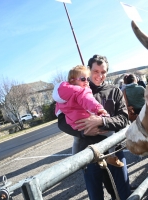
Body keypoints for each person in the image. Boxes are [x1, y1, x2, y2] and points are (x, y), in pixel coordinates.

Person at [57, 55, 131, 200]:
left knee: (123, 192)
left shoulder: (115, 91)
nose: (99, 75)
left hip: (114, 150)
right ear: (89, 70)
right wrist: (83, 132)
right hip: (89, 153)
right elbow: (61, 121)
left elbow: (124, 119)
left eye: (103, 72)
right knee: (95, 195)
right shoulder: (75, 90)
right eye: (95, 71)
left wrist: (101, 121)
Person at [52, 65, 124, 167]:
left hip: (74, 124)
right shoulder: (81, 91)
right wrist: (101, 111)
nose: (86, 81)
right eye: (83, 79)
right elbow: (90, 102)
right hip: (86, 122)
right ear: (72, 81)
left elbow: (58, 112)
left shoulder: (62, 97)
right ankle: (111, 157)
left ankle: (74, 160)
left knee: (76, 140)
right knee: (110, 133)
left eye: (87, 78)